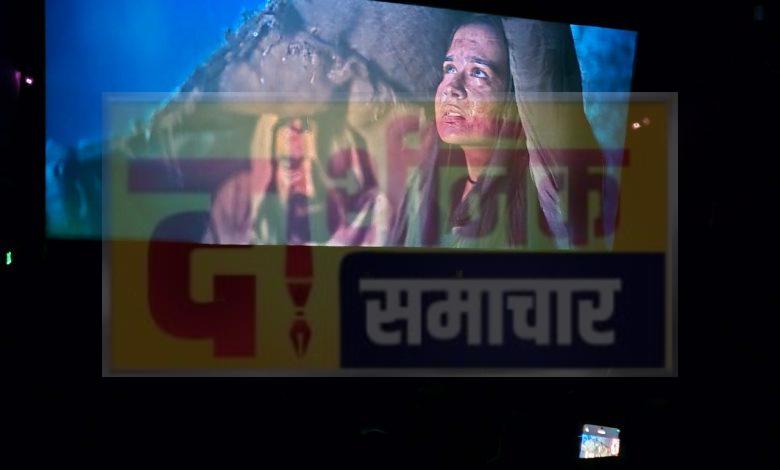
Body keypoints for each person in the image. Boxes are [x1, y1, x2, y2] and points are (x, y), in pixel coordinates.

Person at [390, 16, 529, 248]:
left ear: (514, 98)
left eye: (478, 73)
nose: (451, 88)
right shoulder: (426, 180)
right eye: (450, 68)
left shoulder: (538, 191)